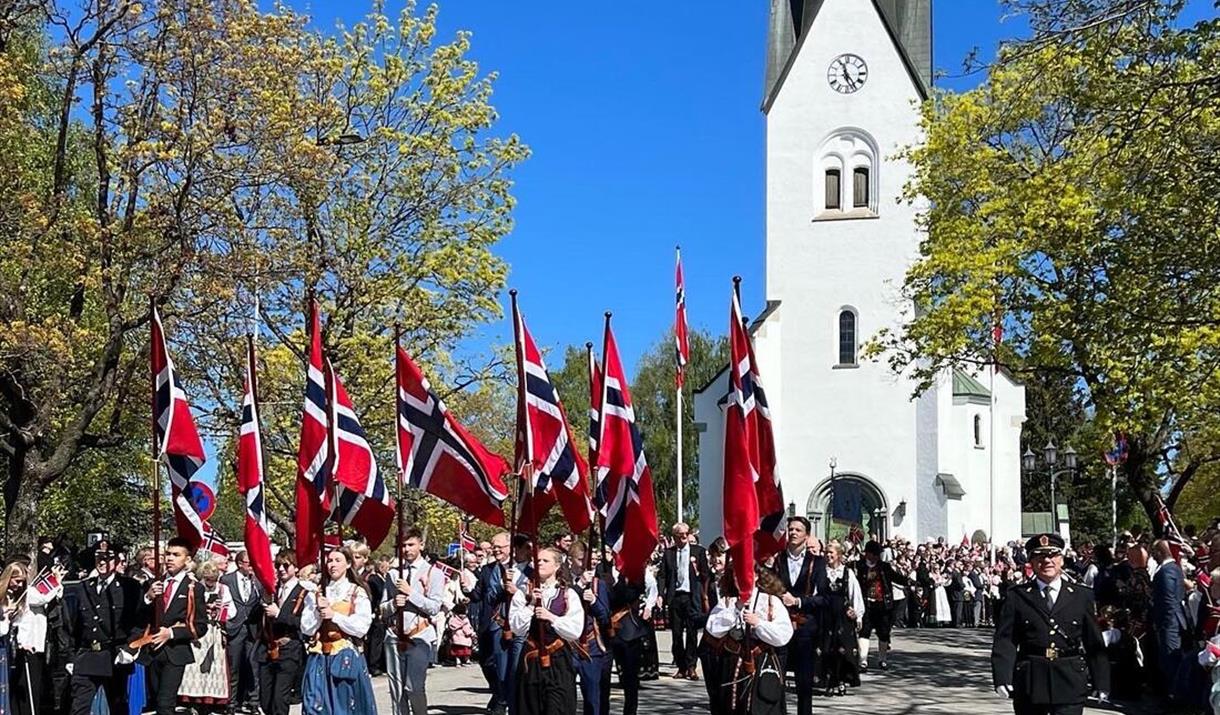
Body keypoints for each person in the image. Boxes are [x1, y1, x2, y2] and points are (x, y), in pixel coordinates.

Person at [992, 533, 1110, 715]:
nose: (1047, 561)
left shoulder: (1081, 595)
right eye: (1040, 556)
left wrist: (1101, 680)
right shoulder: (1017, 596)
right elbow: (1006, 640)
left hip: (1069, 679)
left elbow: (1093, 641)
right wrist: (1002, 676)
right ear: (1031, 562)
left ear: (1061, 560)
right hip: (1031, 680)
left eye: (1053, 555)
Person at [704, 566, 794, 714]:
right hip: (732, 663)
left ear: (757, 576)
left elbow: (784, 635)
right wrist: (737, 607)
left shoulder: (771, 601)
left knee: (764, 705)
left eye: (744, 574)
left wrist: (759, 623)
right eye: (736, 575)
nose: (740, 579)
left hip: (763, 663)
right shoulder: (727, 602)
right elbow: (713, 629)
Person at [300, 546, 377, 715]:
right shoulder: (316, 591)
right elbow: (306, 627)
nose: (332, 565)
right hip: (319, 656)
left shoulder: (356, 592)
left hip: (344, 655)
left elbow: (361, 627)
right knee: (314, 705)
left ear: (348, 564)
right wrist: (318, 613)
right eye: (329, 560)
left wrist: (334, 615)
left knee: (344, 705)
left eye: (337, 560)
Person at [508, 547, 583, 715]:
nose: (540, 563)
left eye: (545, 560)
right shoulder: (523, 593)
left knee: (558, 707)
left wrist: (552, 617)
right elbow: (516, 628)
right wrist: (531, 605)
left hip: (558, 659)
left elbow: (575, 630)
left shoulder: (567, 594)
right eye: (538, 560)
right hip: (531, 659)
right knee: (529, 707)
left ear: (557, 566)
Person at [140, 537, 209, 715]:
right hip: (153, 651)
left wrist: (171, 633)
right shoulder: (154, 583)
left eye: (176, 555)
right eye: (168, 554)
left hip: (175, 652)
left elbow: (200, 627)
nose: (170, 558)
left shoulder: (193, 588)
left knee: (165, 703)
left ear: (187, 560)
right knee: (155, 702)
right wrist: (148, 597)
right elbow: (139, 616)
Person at [382, 527, 445, 715]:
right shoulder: (393, 574)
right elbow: (382, 609)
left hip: (419, 635)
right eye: (403, 545)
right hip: (394, 635)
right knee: (397, 690)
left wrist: (411, 594)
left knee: (414, 687)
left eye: (411, 544)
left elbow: (434, 607)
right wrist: (393, 604)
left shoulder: (434, 573)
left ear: (421, 545)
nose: (407, 549)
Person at [772, 517, 827, 715]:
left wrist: (798, 601)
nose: (793, 533)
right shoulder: (777, 560)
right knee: (777, 679)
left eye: (798, 530)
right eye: (791, 529)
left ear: (807, 535)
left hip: (805, 628)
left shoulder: (818, 562)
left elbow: (823, 598)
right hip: (780, 626)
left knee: (804, 682)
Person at [258, 551, 316, 715]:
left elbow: (305, 624)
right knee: (265, 698)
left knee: (280, 699)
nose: (281, 569)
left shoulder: (304, 592)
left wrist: (279, 615)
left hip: (289, 647)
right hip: (268, 648)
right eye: (277, 566)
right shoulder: (272, 590)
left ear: (296, 567)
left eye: (286, 565)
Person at [179, 559, 237, 710]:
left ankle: (209, 702)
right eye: (208, 580)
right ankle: (192, 701)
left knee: (212, 668)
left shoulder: (223, 589)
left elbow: (232, 611)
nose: (211, 583)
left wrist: (220, 610)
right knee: (194, 668)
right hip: (198, 631)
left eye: (213, 579)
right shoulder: (195, 588)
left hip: (214, 632)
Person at [466, 532, 514, 715]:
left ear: (509, 547)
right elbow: (478, 594)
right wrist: (467, 590)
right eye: (494, 547)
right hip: (488, 622)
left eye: (499, 546)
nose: (496, 550)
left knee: (502, 664)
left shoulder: (515, 568)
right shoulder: (487, 569)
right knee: (486, 662)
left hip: (506, 623)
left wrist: (508, 585)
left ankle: (503, 699)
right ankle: (497, 692)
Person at [658, 522, 709, 680]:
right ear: (675, 537)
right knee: (677, 634)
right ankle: (681, 666)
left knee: (692, 633)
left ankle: (691, 666)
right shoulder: (669, 553)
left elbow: (706, 575)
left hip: (691, 596)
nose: (684, 538)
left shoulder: (698, 552)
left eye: (687, 534)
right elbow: (662, 576)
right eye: (681, 535)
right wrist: (661, 594)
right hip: (676, 597)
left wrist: (703, 588)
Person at [566, 541, 611, 715]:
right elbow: (562, 605)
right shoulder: (563, 580)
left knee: (593, 697)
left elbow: (605, 616)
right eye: (580, 560)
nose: (584, 564)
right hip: (567, 645)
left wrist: (593, 601)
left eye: (587, 560)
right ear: (570, 560)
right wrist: (578, 588)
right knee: (566, 697)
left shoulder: (597, 584)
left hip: (590, 645)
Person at [221, 550, 264, 714]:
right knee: (234, 666)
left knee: (252, 665)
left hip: (252, 628)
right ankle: (231, 702)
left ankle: (254, 701)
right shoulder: (227, 580)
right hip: (235, 627)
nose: (252, 566)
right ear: (240, 564)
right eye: (249, 563)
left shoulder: (257, 581)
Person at [856, 540, 908, 670]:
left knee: (884, 632)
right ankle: (863, 660)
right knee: (864, 631)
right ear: (868, 554)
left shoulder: (884, 567)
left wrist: (909, 581)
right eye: (875, 554)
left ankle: (882, 659)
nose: (877, 556)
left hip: (882, 604)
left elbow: (896, 577)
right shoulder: (858, 566)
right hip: (865, 603)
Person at [820, 541, 863, 696]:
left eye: (831, 552)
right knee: (827, 650)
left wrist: (857, 613)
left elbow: (855, 594)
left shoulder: (847, 573)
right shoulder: (821, 572)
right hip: (825, 616)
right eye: (826, 552)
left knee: (843, 652)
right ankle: (830, 681)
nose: (828, 555)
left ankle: (842, 681)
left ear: (838, 554)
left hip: (843, 617)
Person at [1151, 539, 1188, 691]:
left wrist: (1164, 623)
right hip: (1170, 622)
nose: (1153, 556)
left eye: (1154, 553)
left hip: (1170, 624)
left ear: (1160, 552)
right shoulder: (1174, 568)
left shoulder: (1167, 571)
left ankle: (1174, 697)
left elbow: (1169, 600)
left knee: (1170, 661)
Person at [698, 538, 730, 714]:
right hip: (710, 644)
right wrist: (712, 619)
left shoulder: (738, 583)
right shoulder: (704, 582)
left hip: (732, 646)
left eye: (720, 555)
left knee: (729, 695)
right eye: (713, 556)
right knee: (714, 694)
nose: (715, 559)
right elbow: (695, 614)